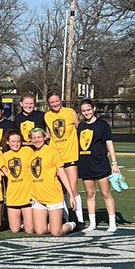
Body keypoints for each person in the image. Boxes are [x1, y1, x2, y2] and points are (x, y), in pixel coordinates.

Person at [76, 100, 119, 234]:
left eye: (88, 110)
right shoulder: (81, 126)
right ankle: (92, 223)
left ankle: (112, 222)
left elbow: (109, 144)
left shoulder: (102, 125)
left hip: (100, 163)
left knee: (106, 193)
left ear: (93, 109)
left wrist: (114, 163)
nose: (86, 113)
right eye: (83, 111)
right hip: (85, 164)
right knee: (90, 194)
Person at [28, 127, 77, 237]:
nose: (37, 140)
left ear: (45, 137)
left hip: (53, 196)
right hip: (37, 196)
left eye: (39, 137)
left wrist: (71, 195)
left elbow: (62, 173)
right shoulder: (31, 152)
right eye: (34, 138)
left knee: (56, 233)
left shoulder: (52, 151)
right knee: (40, 231)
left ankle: (73, 223)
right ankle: (57, 222)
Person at [45, 90, 83, 221]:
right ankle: (66, 217)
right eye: (52, 102)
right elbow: (49, 135)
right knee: (61, 190)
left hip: (70, 155)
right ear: (48, 104)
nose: (55, 104)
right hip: (56, 157)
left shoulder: (70, 112)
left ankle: (79, 218)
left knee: (73, 188)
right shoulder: (47, 116)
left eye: (56, 101)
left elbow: (80, 131)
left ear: (60, 100)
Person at [1, 129, 34, 234]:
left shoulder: (28, 150)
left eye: (18, 141)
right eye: (13, 141)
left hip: (27, 196)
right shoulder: (4, 156)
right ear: (7, 142)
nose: (16, 144)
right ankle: (22, 221)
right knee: (15, 230)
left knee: (30, 230)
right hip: (13, 196)